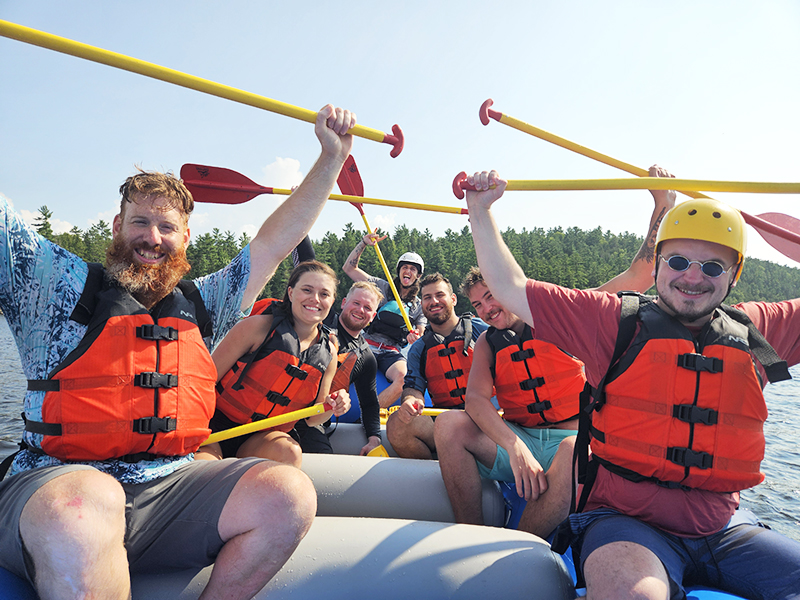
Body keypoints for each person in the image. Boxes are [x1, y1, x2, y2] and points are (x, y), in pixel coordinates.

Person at [0, 105, 356, 600]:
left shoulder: (204, 303)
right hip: (59, 487)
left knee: (289, 494)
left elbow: (276, 243)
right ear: (116, 225)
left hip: (169, 486)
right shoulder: (52, 283)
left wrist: (332, 158)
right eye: (139, 223)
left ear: (185, 237)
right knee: (90, 501)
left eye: (166, 228)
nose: (152, 238)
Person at [465, 169, 800, 600]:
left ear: (734, 275)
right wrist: (481, 210)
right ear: (659, 264)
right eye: (678, 261)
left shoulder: (760, 329)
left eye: (713, 266)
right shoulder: (613, 323)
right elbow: (511, 288)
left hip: (724, 528)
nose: (692, 277)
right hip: (627, 523)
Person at [435, 168, 675, 538]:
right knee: (448, 425)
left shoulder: (566, 317)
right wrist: (515, 448)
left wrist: (662, 204)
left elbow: (640, 276)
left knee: (569, 450)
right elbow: (476, 402)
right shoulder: (487, 342)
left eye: (491, 296)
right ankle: (470, 535)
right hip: (521, 438)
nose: (486, 309)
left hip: (572, 440)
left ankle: (516, 558)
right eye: (478, 305)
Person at [196, 260, 350, 467]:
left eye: (324, 294)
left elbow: (314, 419)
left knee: (290, 451)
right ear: (290, 292)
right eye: (307, 290)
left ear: (332, 301)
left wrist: (334, 405)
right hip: (213, 425)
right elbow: (204, 381)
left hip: (259, 439)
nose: (315, 299)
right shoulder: (257, 328)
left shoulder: (329, 353)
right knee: (205, 468)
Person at [386, 272, 488, 459]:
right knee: (396, 424)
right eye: (427, 297)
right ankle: (436, 471)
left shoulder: (481, 330)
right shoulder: (419, 348)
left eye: (439, 295)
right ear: (422, 304)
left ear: (453, 299)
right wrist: (410, 401)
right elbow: (413, 388)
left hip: (490, 420)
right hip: (446, 422)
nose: (433, 301)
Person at [298, 280, 385, 456]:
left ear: (373, 316)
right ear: (344, 302)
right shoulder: (317, 319)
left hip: (313, 421)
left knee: (322, 457)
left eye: (367, 308)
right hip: (281, 407)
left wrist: (374, 437)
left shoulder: (366, 358)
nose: (360, 310)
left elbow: (369, 403)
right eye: (356, 303)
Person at [343, 234, 427, 407]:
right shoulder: (381, 286)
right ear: (399, 270)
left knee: (403, 379)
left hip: (391, 352)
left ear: (418, 275)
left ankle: (369, 415)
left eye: (413, 269)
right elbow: (349, 269)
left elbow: (420, 331)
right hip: (366, 346)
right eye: (405, 267)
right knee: (339, 371)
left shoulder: (419, 306)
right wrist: (364, 243)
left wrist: (415, 336)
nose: (408, 271)